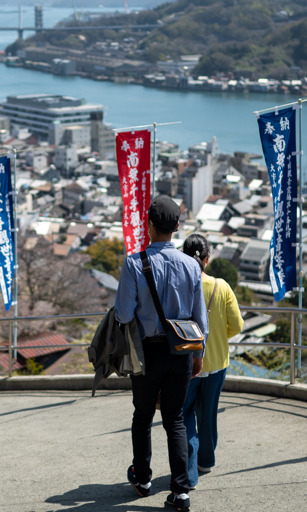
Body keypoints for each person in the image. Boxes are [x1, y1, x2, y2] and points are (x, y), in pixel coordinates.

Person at [115, 195, 208, 512]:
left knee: (142, 417)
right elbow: (200, 320)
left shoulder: (134, 263)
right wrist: (198, 356)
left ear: (149, 224)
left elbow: (124, 315)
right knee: (176, 420)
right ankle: (180, 492)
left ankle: (142, 479)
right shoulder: (191, 265)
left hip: (147, 353)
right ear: (178, 227)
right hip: (182, 352)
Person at [180, 234, 244, 489]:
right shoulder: (222, 286)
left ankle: (189, 465)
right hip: (216, 362)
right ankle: (205, 461)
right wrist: (218, 335)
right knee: (208, 414)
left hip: (186, 363)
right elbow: (237, 325)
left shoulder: (180, 284)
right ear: (208, 259)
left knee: (183, 416)